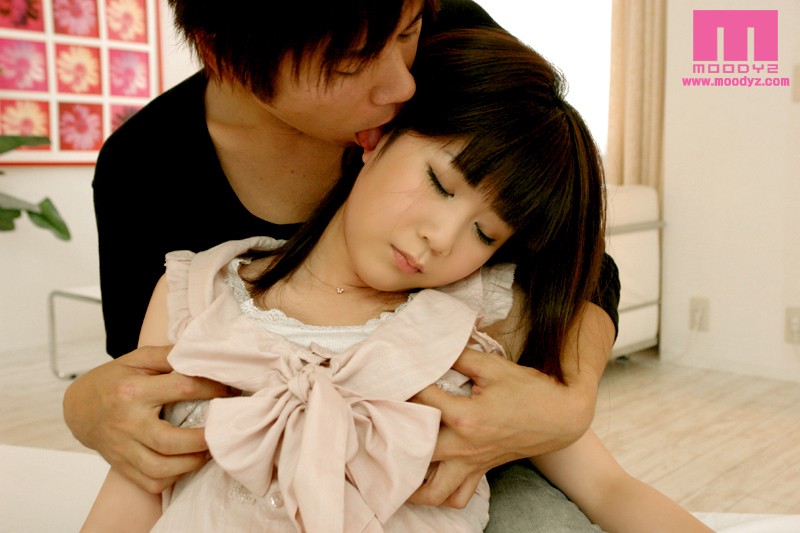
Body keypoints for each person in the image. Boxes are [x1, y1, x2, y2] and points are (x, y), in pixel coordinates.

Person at [82, 28, 710, 533]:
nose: (442, 237)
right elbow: (132, 490)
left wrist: (569, 403)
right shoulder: (194, 292)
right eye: (439, 184)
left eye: (485, 233)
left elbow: (608, 487)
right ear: (374, 138)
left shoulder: (481, 322)